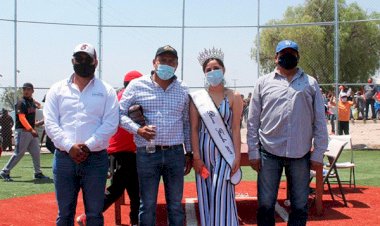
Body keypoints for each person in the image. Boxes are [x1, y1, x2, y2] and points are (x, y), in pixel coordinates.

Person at [247, 40, 328, 226]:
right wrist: (253, 152)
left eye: (292, 53)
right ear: (276, 58)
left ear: (298, 57)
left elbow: (320, 121)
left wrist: (318, 153)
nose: (288, 56)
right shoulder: (263, 83)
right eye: (283, 54)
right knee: (266, 204)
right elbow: (252, 121)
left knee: (300, 205)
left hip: (300, 154)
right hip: (269, 152)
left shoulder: (310, 83)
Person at [43, 43, 119, 226]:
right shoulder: (57, 89)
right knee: (65, 215)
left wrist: (87, 146)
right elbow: (50, 122)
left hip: (96, 159)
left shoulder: (106, 91)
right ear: (72, 61)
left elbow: (111, 124)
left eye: (87, 59)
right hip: (64, 159)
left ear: (96, 62)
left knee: (94, 215)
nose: (83, 62)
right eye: (79, 58)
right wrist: (70, 147)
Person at [119, 45, 192, 226]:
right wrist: (138, 130)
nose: (167, 64)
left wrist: (189, 152)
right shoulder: (137, 85)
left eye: (171, 61)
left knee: (175, 205)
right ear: (154, 62)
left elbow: (186, 123)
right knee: (147, 204)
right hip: (147, 154)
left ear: (176, 64)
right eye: (163, 60)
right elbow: (119, 114)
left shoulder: (183, 88)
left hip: (175, 154)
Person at [76, 70, 143, 226]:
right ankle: (87, 217)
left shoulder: (119, 96)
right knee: (118, 189)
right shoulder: (132, 98)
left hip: (120, 151)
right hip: (124, 151)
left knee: (134, 190)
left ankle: (135, 221)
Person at [189, 47, 243, 226]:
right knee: (206, 196)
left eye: (216, 68)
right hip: (203, 152)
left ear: (223, 70)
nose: (212, 72)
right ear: (204, 74)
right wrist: (196, 157)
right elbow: (194, 129)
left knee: (222, 192)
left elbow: (236, 128)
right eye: (208, 70)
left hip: (225, 151)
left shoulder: (234, 96)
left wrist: (236, 155)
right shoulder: (197, 98)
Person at [0, 83, 49, 182]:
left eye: (28, 89)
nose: (26, 91)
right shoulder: (21, 102)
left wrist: (33, 127)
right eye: (24, 89)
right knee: (19, 153)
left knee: (36, 152)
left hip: (31, 131)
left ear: (32, 91)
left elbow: (38, 106)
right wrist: (31, 129)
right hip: (23, 131)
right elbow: (22, 118)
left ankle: (37, 173)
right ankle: (5, 172)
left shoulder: (31, 102)